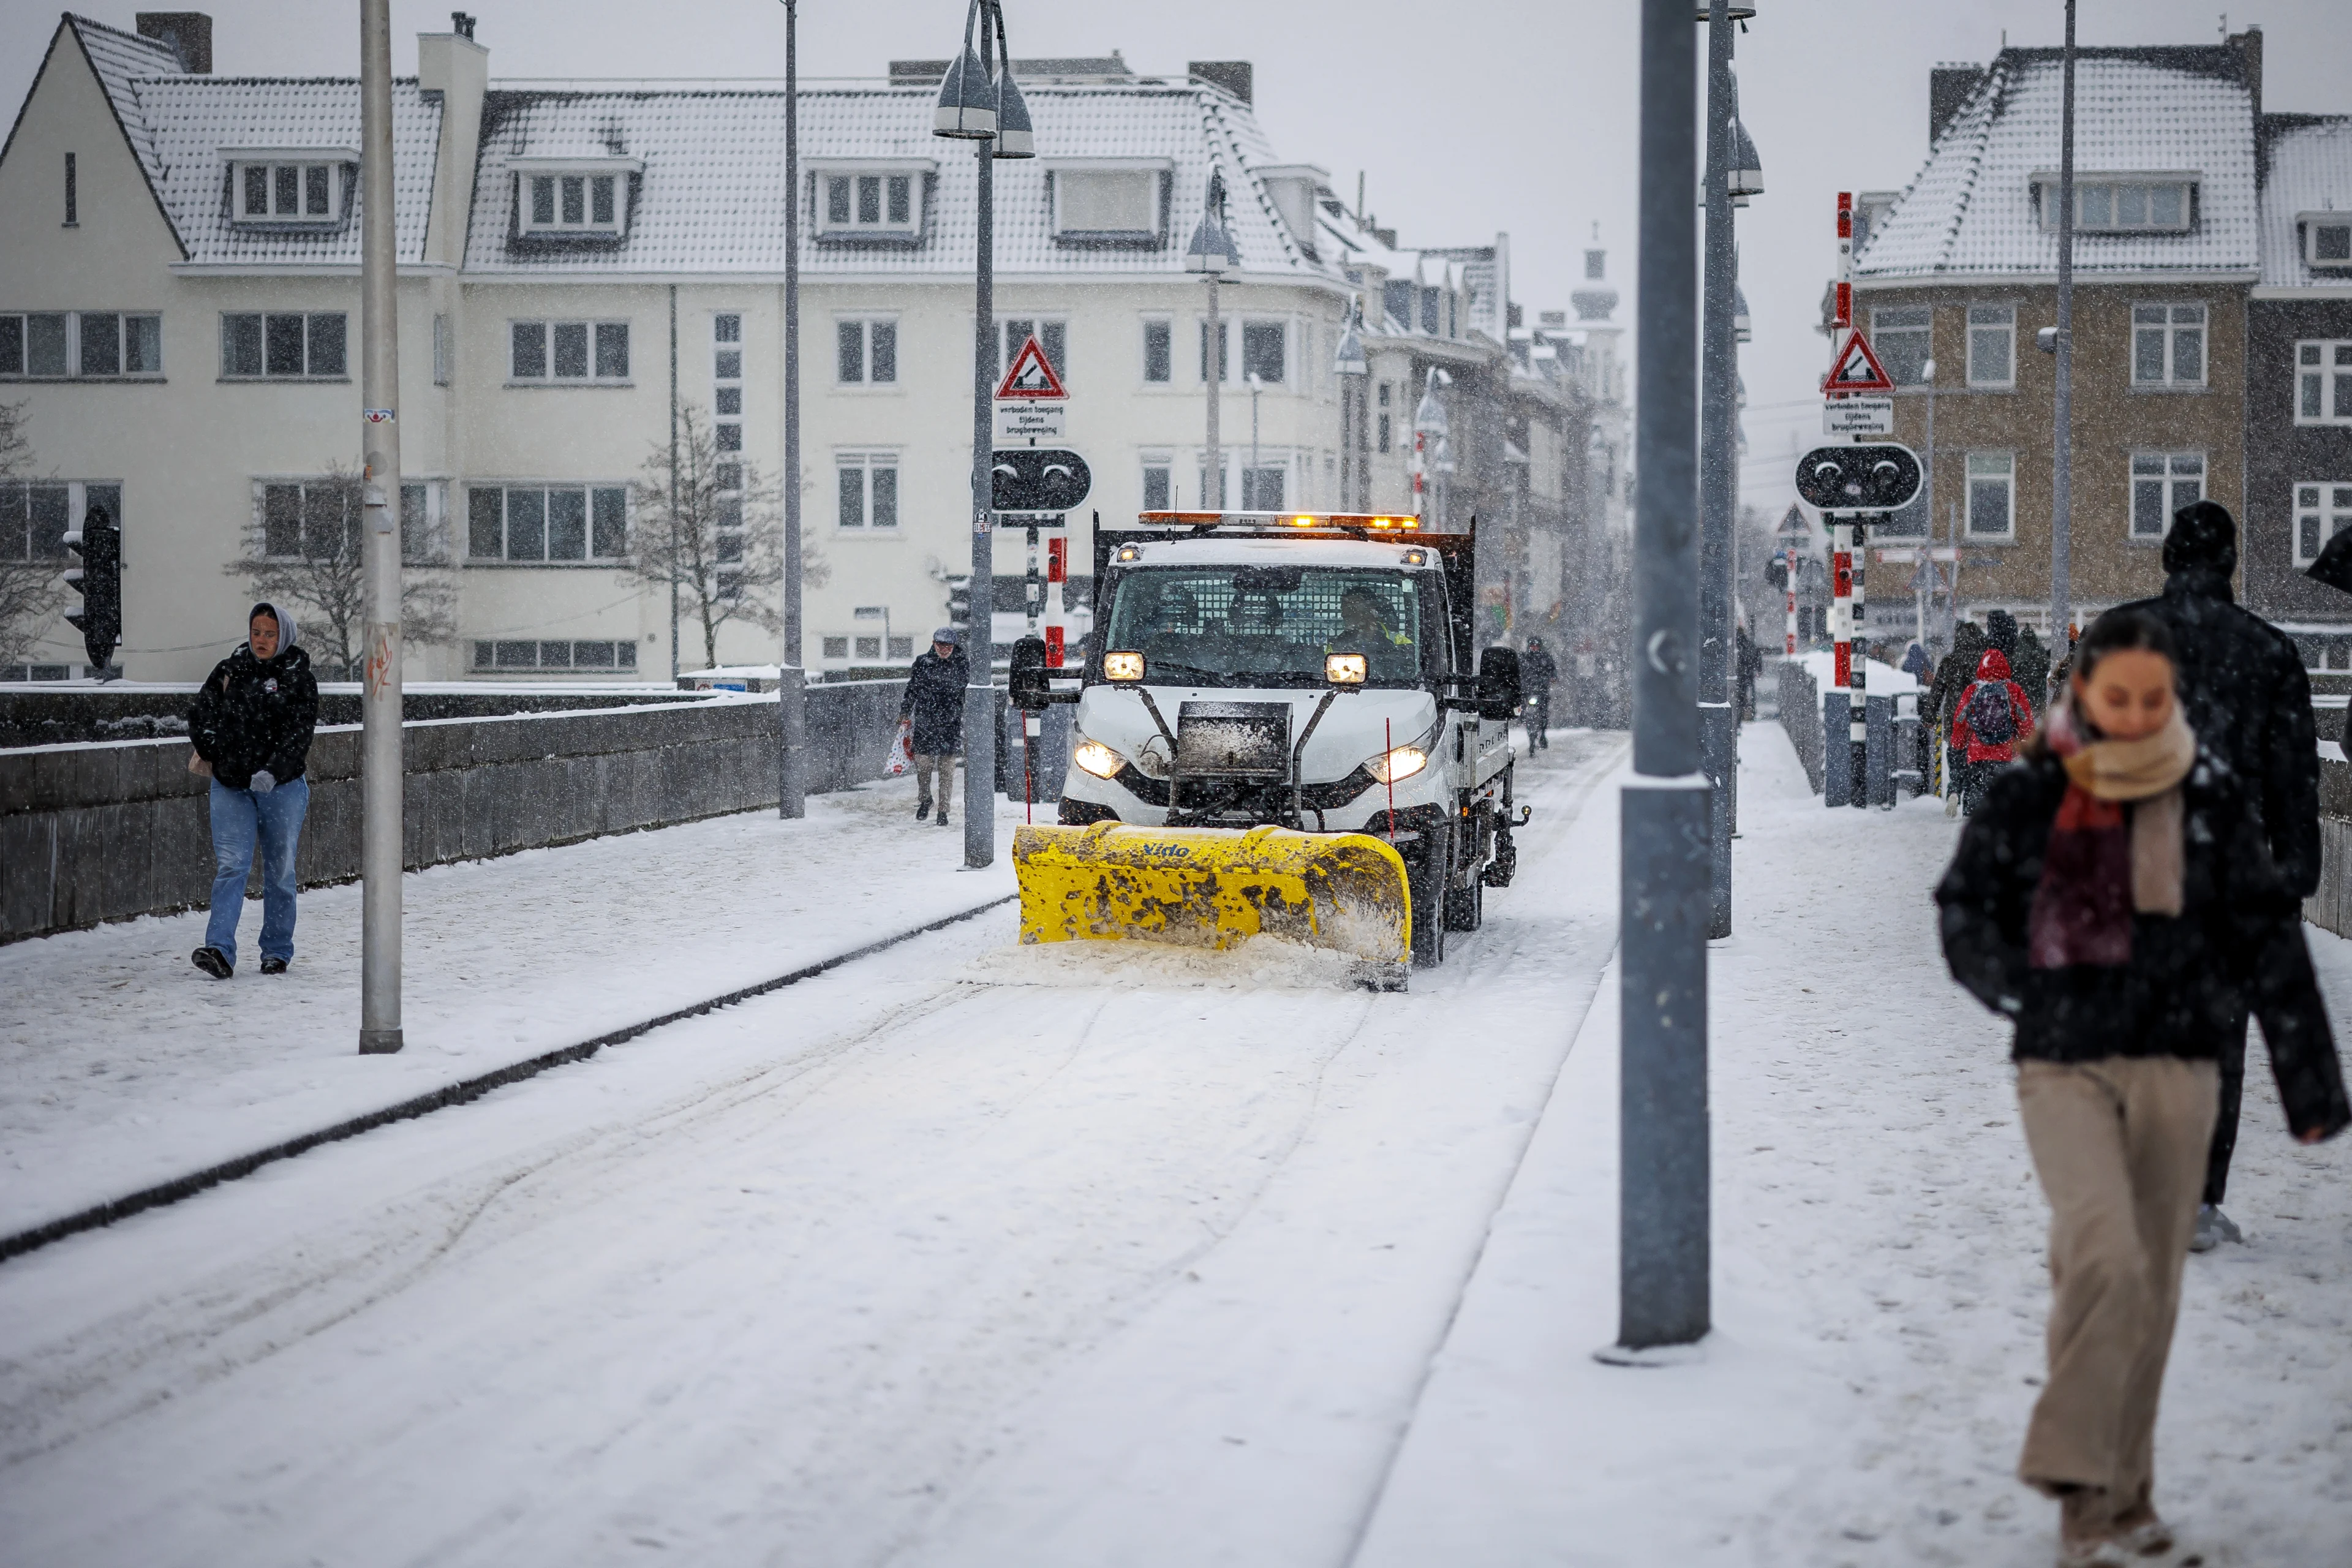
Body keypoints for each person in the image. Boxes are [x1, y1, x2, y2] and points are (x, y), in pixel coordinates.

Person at [1936, 608, 2346, 1568]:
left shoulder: (2207, 797)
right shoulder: (2034, 792)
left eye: (2150, 699)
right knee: (2108, 1257)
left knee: (2150, 1288)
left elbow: (2268, 935)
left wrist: (2311, 1088)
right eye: (2114, 696)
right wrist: (2019, 986)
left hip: (2180, 1064)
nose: (2131, 714)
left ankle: (2125, 1500)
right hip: (2065, 1065)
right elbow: (1966, 907)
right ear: (2083, 693)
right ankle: (2082, 1490)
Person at [2117, 500, 2320, 1251]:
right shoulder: (2269, 652)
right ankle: (2198, 1203)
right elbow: (2294, 783)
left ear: (2168, 557)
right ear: (2230, 561)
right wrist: (2293, 878)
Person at [186, 602, 318, 979]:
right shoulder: (230, 670)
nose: (261, 640)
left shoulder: (299, 678)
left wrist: (273, 771)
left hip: (282, 788)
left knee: (280, 871)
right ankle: (219, 949)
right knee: (232, 866)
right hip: (231, 787)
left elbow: (300, 733)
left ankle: (276, 951)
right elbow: (201, 714)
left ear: (284, 636)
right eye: (256, 632)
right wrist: (220, 756)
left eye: (270, 634)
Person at [1949, 646, 2035, 815]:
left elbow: (1960, 724)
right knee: (2003, 805)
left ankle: (1972, 819)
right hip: (2005, 755)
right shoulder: (2014, 690)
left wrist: (1958, 746)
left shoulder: (1972, 691)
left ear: (1982, 667)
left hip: (1977, 756)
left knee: (1975, 803)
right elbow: (2027, 726)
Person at [899, 627, 968, 829]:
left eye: (948, 646)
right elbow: (912, 688)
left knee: (947, 770)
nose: (944, 650)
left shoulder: (962, 664)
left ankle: (943, 811)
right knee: (923, 766)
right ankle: (925, 799)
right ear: (933, 644)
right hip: (926, 722)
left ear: (954, 646)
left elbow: (967, 692)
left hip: (950, 724)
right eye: (940, 645)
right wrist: (905, 711)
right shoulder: (922, 662)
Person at [1520, 635, 1558, 750]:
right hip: (1528, 689)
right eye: (1532, 646)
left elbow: (1552, 670)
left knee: (1543, 712)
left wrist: (1552, 678)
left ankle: (1542, 733)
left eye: (1536, 646)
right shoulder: (1524, 658)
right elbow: (1519, 671)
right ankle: (1523, 720)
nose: (1534, 648)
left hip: (1542, 689)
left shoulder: (1546, 658)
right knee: (1522, 707)